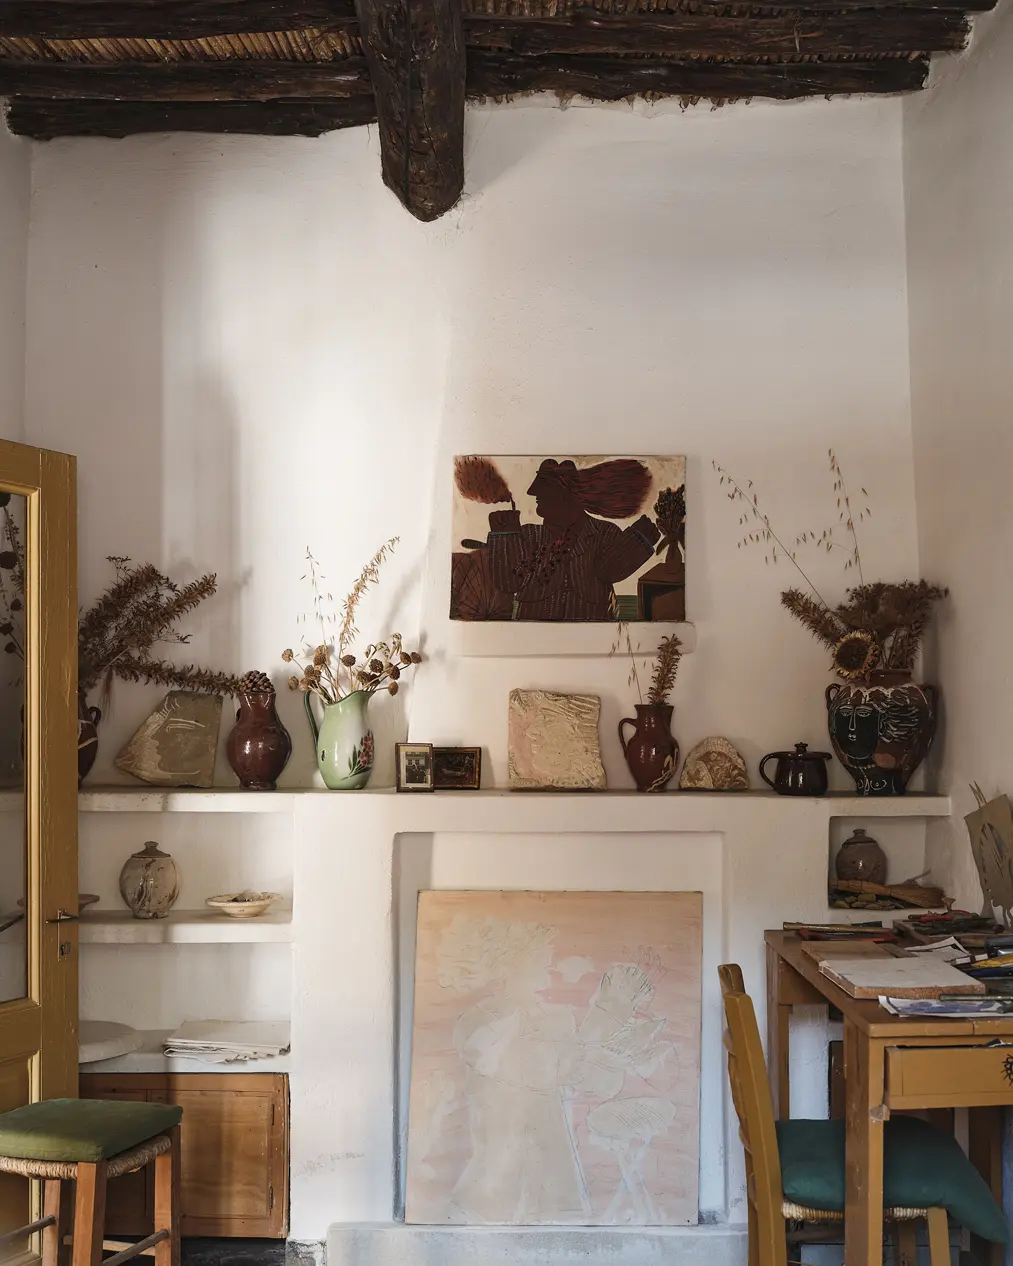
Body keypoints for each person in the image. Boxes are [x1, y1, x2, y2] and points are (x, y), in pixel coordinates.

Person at [485, 459, 660, 621]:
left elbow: (610, 571)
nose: (534, 494)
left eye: (544, 491)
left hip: (595, 634)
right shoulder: (529, 535)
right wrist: (505, 534)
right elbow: (508, 583)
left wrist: (638, 539)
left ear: (566, 495)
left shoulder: (603, 532)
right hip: (535, 634)